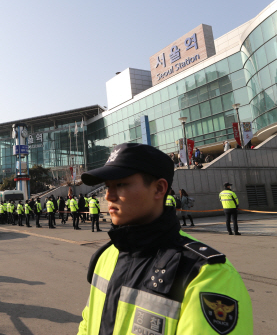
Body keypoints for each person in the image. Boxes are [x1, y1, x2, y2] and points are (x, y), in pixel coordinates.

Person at [77, 143, 253, 334]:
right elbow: (88, 321)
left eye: (120, 184)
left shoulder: (206, 274)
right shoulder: (106, 255)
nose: (109, 196)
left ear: (159, 189)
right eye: (107, 186)